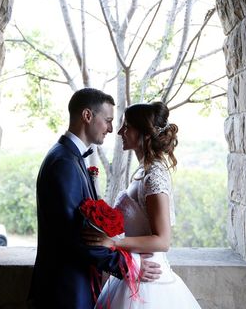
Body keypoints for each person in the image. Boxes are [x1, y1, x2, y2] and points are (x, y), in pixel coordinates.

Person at [28, 88, 161, 309]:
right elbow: (75, 234)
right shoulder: (64, 163)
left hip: (74, 284)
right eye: (108, 120)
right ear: (87, 116)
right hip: (65, 290)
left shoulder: (70, 157)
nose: (111, 128)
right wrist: (128, 267)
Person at [83, 101, 201, 308]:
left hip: (150, 280)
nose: (120, 132)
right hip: (133, 272)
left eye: (127, 126)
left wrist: (113, 243)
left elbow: (162, 241)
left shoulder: (154, 175)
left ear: (145, 133)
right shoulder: (141, 172)